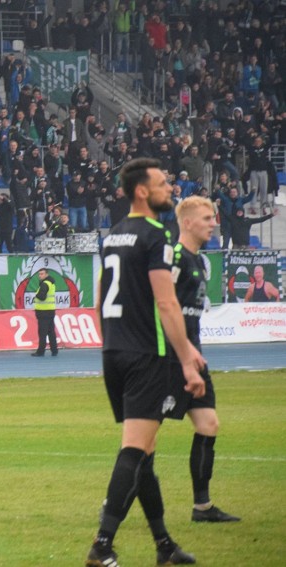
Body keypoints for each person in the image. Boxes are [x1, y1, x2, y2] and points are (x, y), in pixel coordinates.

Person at [87, 158, 205, 567]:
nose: (169, 188)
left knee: (145, 454)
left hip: (114, 352)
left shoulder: (113, 236)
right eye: (162, 183)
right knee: (134, 451)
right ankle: (102, 545)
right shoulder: (158, 236)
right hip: (146, 355)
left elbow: (99, 298)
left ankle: (164, 546)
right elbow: (166, 301)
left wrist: (112, 341)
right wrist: (188, 360)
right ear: (142, 191)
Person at [167, 196, 241, 524]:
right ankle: (115, 498)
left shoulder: (198, 260)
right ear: (187, 222)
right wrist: (182, 348)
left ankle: (202, 507)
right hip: (167, 359)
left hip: (194, 356)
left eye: (213, 217)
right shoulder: (175, 258)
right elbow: (160, 306)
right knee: (143, 439)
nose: (213, 222)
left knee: (209, 425)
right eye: (207, 218)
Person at [31, 268, 58, 357]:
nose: (40, 276)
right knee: (51, 332)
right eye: (39, 274)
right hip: (50, 310)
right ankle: (54, 350)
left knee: (42, 333)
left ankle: (40, 351)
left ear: (46, 275)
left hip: (43, 312)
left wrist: (36, 295)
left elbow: (42, 297)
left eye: (42, 274)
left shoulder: (45, 284)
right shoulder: (51, 283)